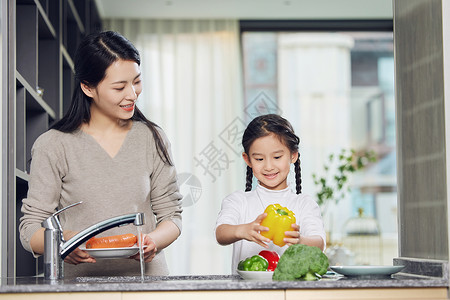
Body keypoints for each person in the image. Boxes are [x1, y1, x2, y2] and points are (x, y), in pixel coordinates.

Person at [19, 31, 182, 277]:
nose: (132, 94)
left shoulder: (151, 138)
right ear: (88, 87)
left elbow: (172, 216)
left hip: (147, 284)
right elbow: (30, 228)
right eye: (119, 87)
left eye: (136, 81)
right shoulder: (53, 144)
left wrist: (154, 241)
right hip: (79, 288)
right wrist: (62, 241)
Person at [215, 114, 325, 273]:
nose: (268, 166)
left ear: (293, 155)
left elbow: (319, 243)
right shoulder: (238, 200)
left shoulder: (304, 204)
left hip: (291, 293)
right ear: (247, 160)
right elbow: (221, 233)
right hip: (246, 294)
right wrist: (242, 230)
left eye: (277, 157)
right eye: (259, 159)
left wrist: (300, 240)